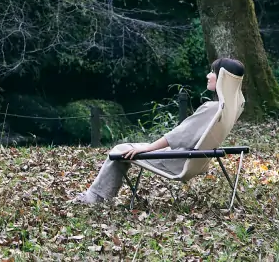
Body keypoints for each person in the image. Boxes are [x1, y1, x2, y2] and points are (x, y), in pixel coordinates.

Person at [72, 58, 246, 205]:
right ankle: (98, 196)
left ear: (222, 78)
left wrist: (147, 149)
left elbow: (178, 136)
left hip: (178, 161)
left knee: (119, 150)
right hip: (195, 159)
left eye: (213, 72)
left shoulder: (211, 108)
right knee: (125, 148)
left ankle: (95, 198)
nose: (208, 76)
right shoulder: (229, 108)